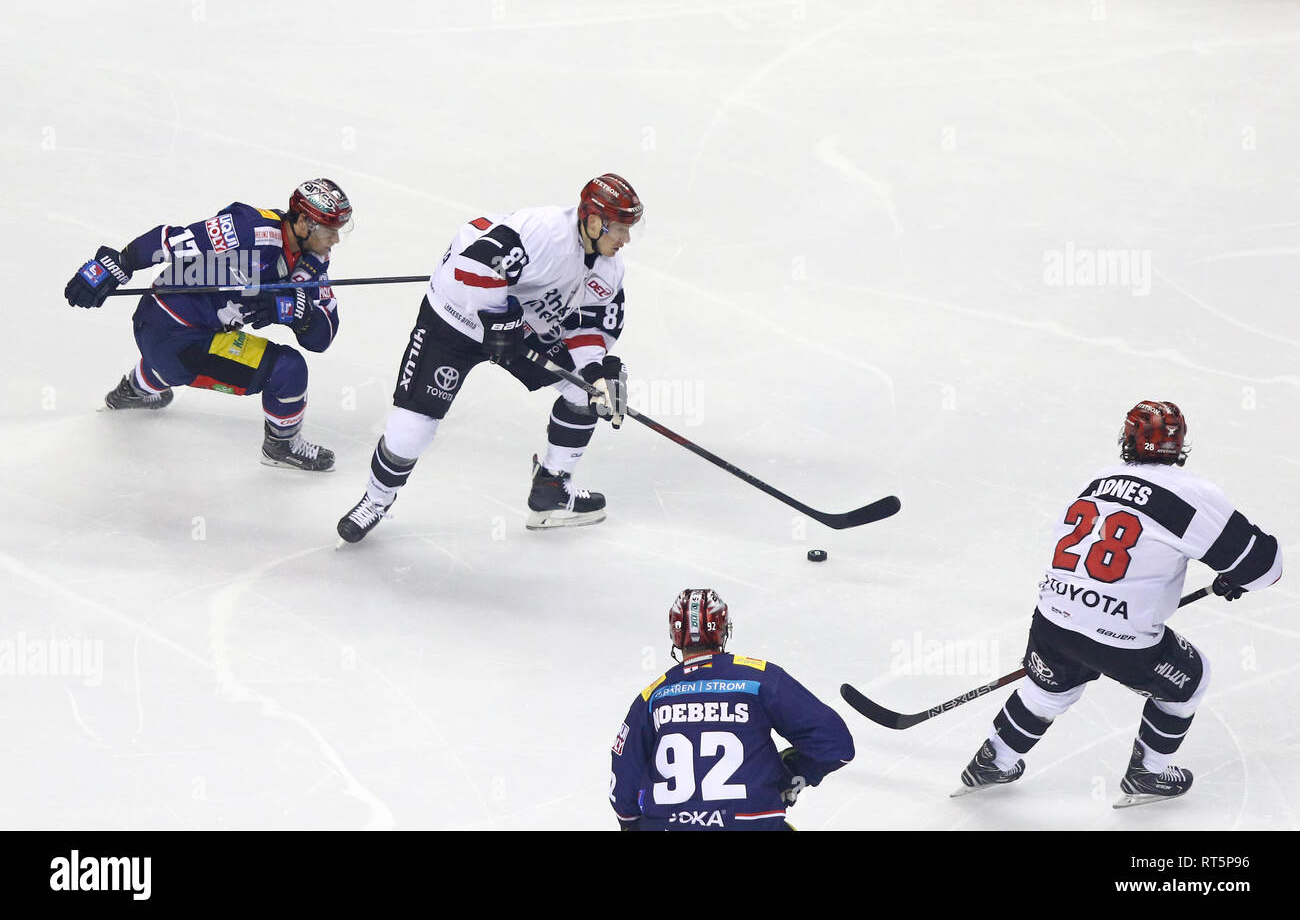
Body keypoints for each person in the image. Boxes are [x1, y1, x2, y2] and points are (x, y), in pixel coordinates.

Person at [955, 401, 1282, 807]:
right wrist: (1235, 575)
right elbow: (1265, 570)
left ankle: (993, 760)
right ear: (1180, 443)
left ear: (1127, 440)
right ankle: (1148, 773)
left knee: (1046, 692)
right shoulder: (1195, 495)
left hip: (1052, 620)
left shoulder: (1098, 480)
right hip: (1122, 639)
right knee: (1191, 678)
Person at [336, 173, 639, 543]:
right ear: (593, 221)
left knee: (583, 394)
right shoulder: (545, 233)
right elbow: (474, 264)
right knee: (412, 429)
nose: (625, 240)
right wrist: (497, 319)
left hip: (522, 326)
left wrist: (594, 375)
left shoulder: (609, 270)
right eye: (620, 229)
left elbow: (587, 327)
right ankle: (376, 499)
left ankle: (551, 489)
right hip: (456, 316)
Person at [63, 179, 352, 471]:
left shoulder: (313, 261)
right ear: (304, 222)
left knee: (207, 346)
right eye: (330, 231)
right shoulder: (251, 230)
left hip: (169, 328)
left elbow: (323, 336)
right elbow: (170, 241)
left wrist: (299, 314)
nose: (335, 240)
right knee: (289, 369)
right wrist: (116, 265)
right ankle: (282, 445)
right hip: (175, 336)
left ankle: (136, 387)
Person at [609, 589, 854, 830]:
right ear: (724, 630)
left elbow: (623, 788)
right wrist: (794, 772)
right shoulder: (760, 678)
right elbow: (836, 744)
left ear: (675, 635)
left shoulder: (652, 696)